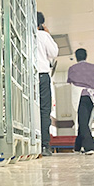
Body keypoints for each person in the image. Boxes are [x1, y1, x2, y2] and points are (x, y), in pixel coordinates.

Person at [36, 12, 59, 156]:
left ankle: (30, 142)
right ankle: (44, 145)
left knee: (26, 109)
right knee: (44, 110)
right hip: (42, 75)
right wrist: (46, 33)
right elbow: (54, 53)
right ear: (41, 24)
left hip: (25, 77)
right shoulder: (43, 36)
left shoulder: (22, 34)